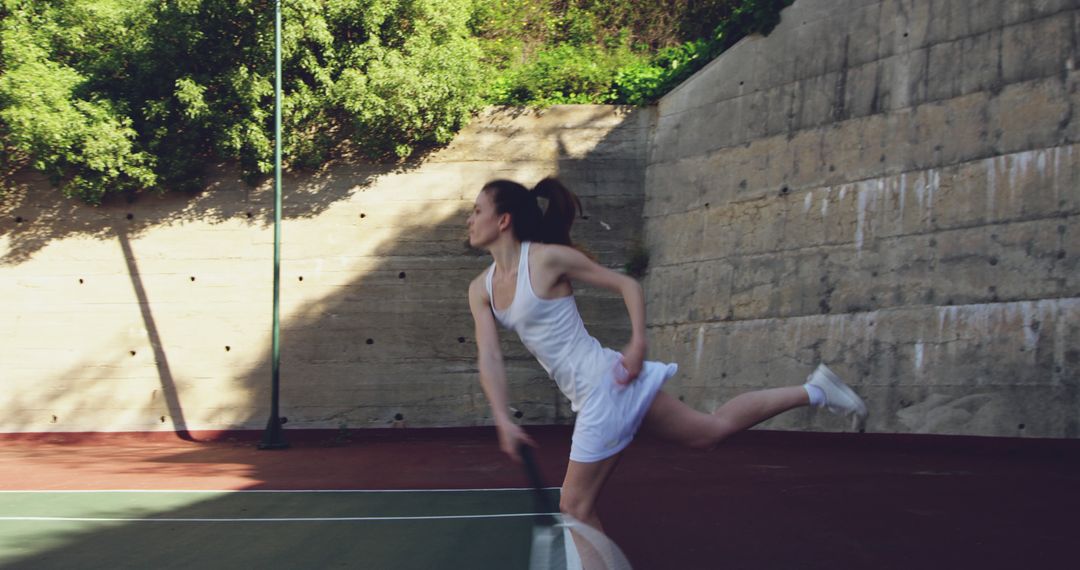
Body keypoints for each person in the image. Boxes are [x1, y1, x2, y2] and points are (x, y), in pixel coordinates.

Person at [466, 177, 867, 531]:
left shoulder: (545, 259)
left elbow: (628, 285)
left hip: (603, 386)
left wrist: (638, 343)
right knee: (708, 432)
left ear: (503, 220)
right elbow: (489, 356)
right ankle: (816, 390)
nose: (469, 218)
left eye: (477, 210)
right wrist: (501, 416)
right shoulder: (480, 289)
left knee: (574, 508)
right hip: (600, 385)